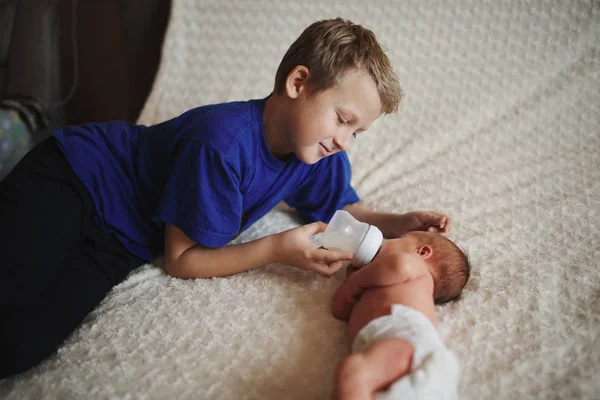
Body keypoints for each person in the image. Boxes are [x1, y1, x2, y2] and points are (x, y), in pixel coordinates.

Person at [0, 18, 452, 378]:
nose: (345, 141)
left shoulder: (315, 152)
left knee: (18, 348)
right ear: (298, 83)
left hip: (122, 239)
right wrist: (276, 249)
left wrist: (398, 222)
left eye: (357, 131)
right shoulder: (221, 145)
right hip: (79, 177)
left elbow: (343, 209)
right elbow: (182, 259)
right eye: (342, 119)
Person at [332, 231, 470, 400]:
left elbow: (400, 265)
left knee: (353, 372)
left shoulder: (415, 266)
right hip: (386, 347)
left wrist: (356, 281)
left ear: (422, 252)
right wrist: (352, 283)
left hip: (403, 337)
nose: (384, 242)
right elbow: (339, 310)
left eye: (398, 239)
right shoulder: (375, 285)